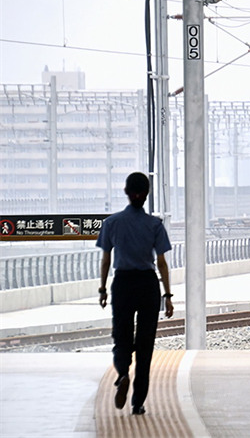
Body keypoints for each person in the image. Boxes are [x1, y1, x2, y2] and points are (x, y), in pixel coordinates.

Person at [97, 172, 173, 415]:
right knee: (145, 344)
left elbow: (106, 259)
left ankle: (122, 373)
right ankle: (138, 402)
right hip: (148, 285)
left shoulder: (112, 223)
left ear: (126, 193)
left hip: (123, 283)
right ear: (146, 194)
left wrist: (102, 289)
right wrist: (168, 295)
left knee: (121, 336)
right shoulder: (154, 224)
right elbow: (161, 262)